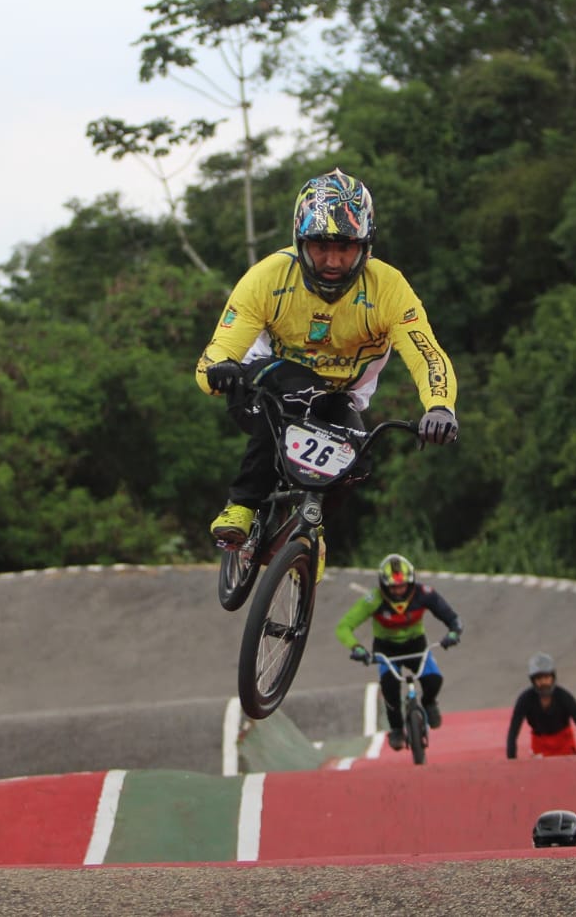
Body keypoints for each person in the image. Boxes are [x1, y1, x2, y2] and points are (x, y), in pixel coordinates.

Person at [195, 168, 459, 548]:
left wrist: (440, 407)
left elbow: (426, 354)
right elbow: (217, 352)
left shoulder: (389, 287)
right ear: (300, 243)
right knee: (295, 393)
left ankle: (308, 534)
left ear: (366, 247)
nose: (333, 261)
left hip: (339, 396)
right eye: (321, 246)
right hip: (266, 382)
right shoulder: (268, 277)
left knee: (356, 464)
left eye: (345, 247)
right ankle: (242, 504)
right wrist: (218, 373)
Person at [336, 554, 463, 750]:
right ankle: (396, 729)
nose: (398, 592)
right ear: (383, 585)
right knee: (389, 689)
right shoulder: (373, 599)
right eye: (393, 587)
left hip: (416, 644)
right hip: (386, 648)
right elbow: (344, 626)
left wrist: (453, 632)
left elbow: (452, 617)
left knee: (434, 680)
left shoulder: (425, 594)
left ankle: (429, 703)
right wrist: (357, 647)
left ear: (411, 582)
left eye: (402, 586)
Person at [506, 652, 576, 758]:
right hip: (539, 746)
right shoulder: (525, 700)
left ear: (553, 677)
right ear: (533, 680)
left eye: (546, 677)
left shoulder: (565, 697)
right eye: (539, 679)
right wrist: (511, 761)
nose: (544, 682)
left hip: (564, 744)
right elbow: (513, 733)